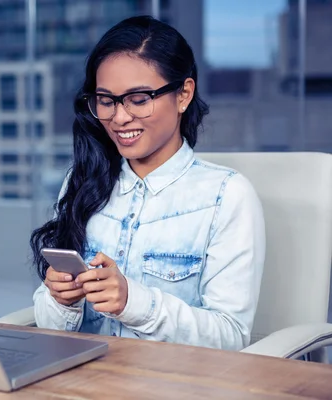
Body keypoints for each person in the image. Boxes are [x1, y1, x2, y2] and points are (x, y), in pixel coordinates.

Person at [30, 16, 265, 351]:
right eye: (107, 100)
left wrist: (134, 303)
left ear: (183, 94)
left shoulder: (226, 196)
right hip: (82, 380)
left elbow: (230, 337)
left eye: (139, 99)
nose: (120, 117)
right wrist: (60, 300)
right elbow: (51, 328)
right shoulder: (84, 181)